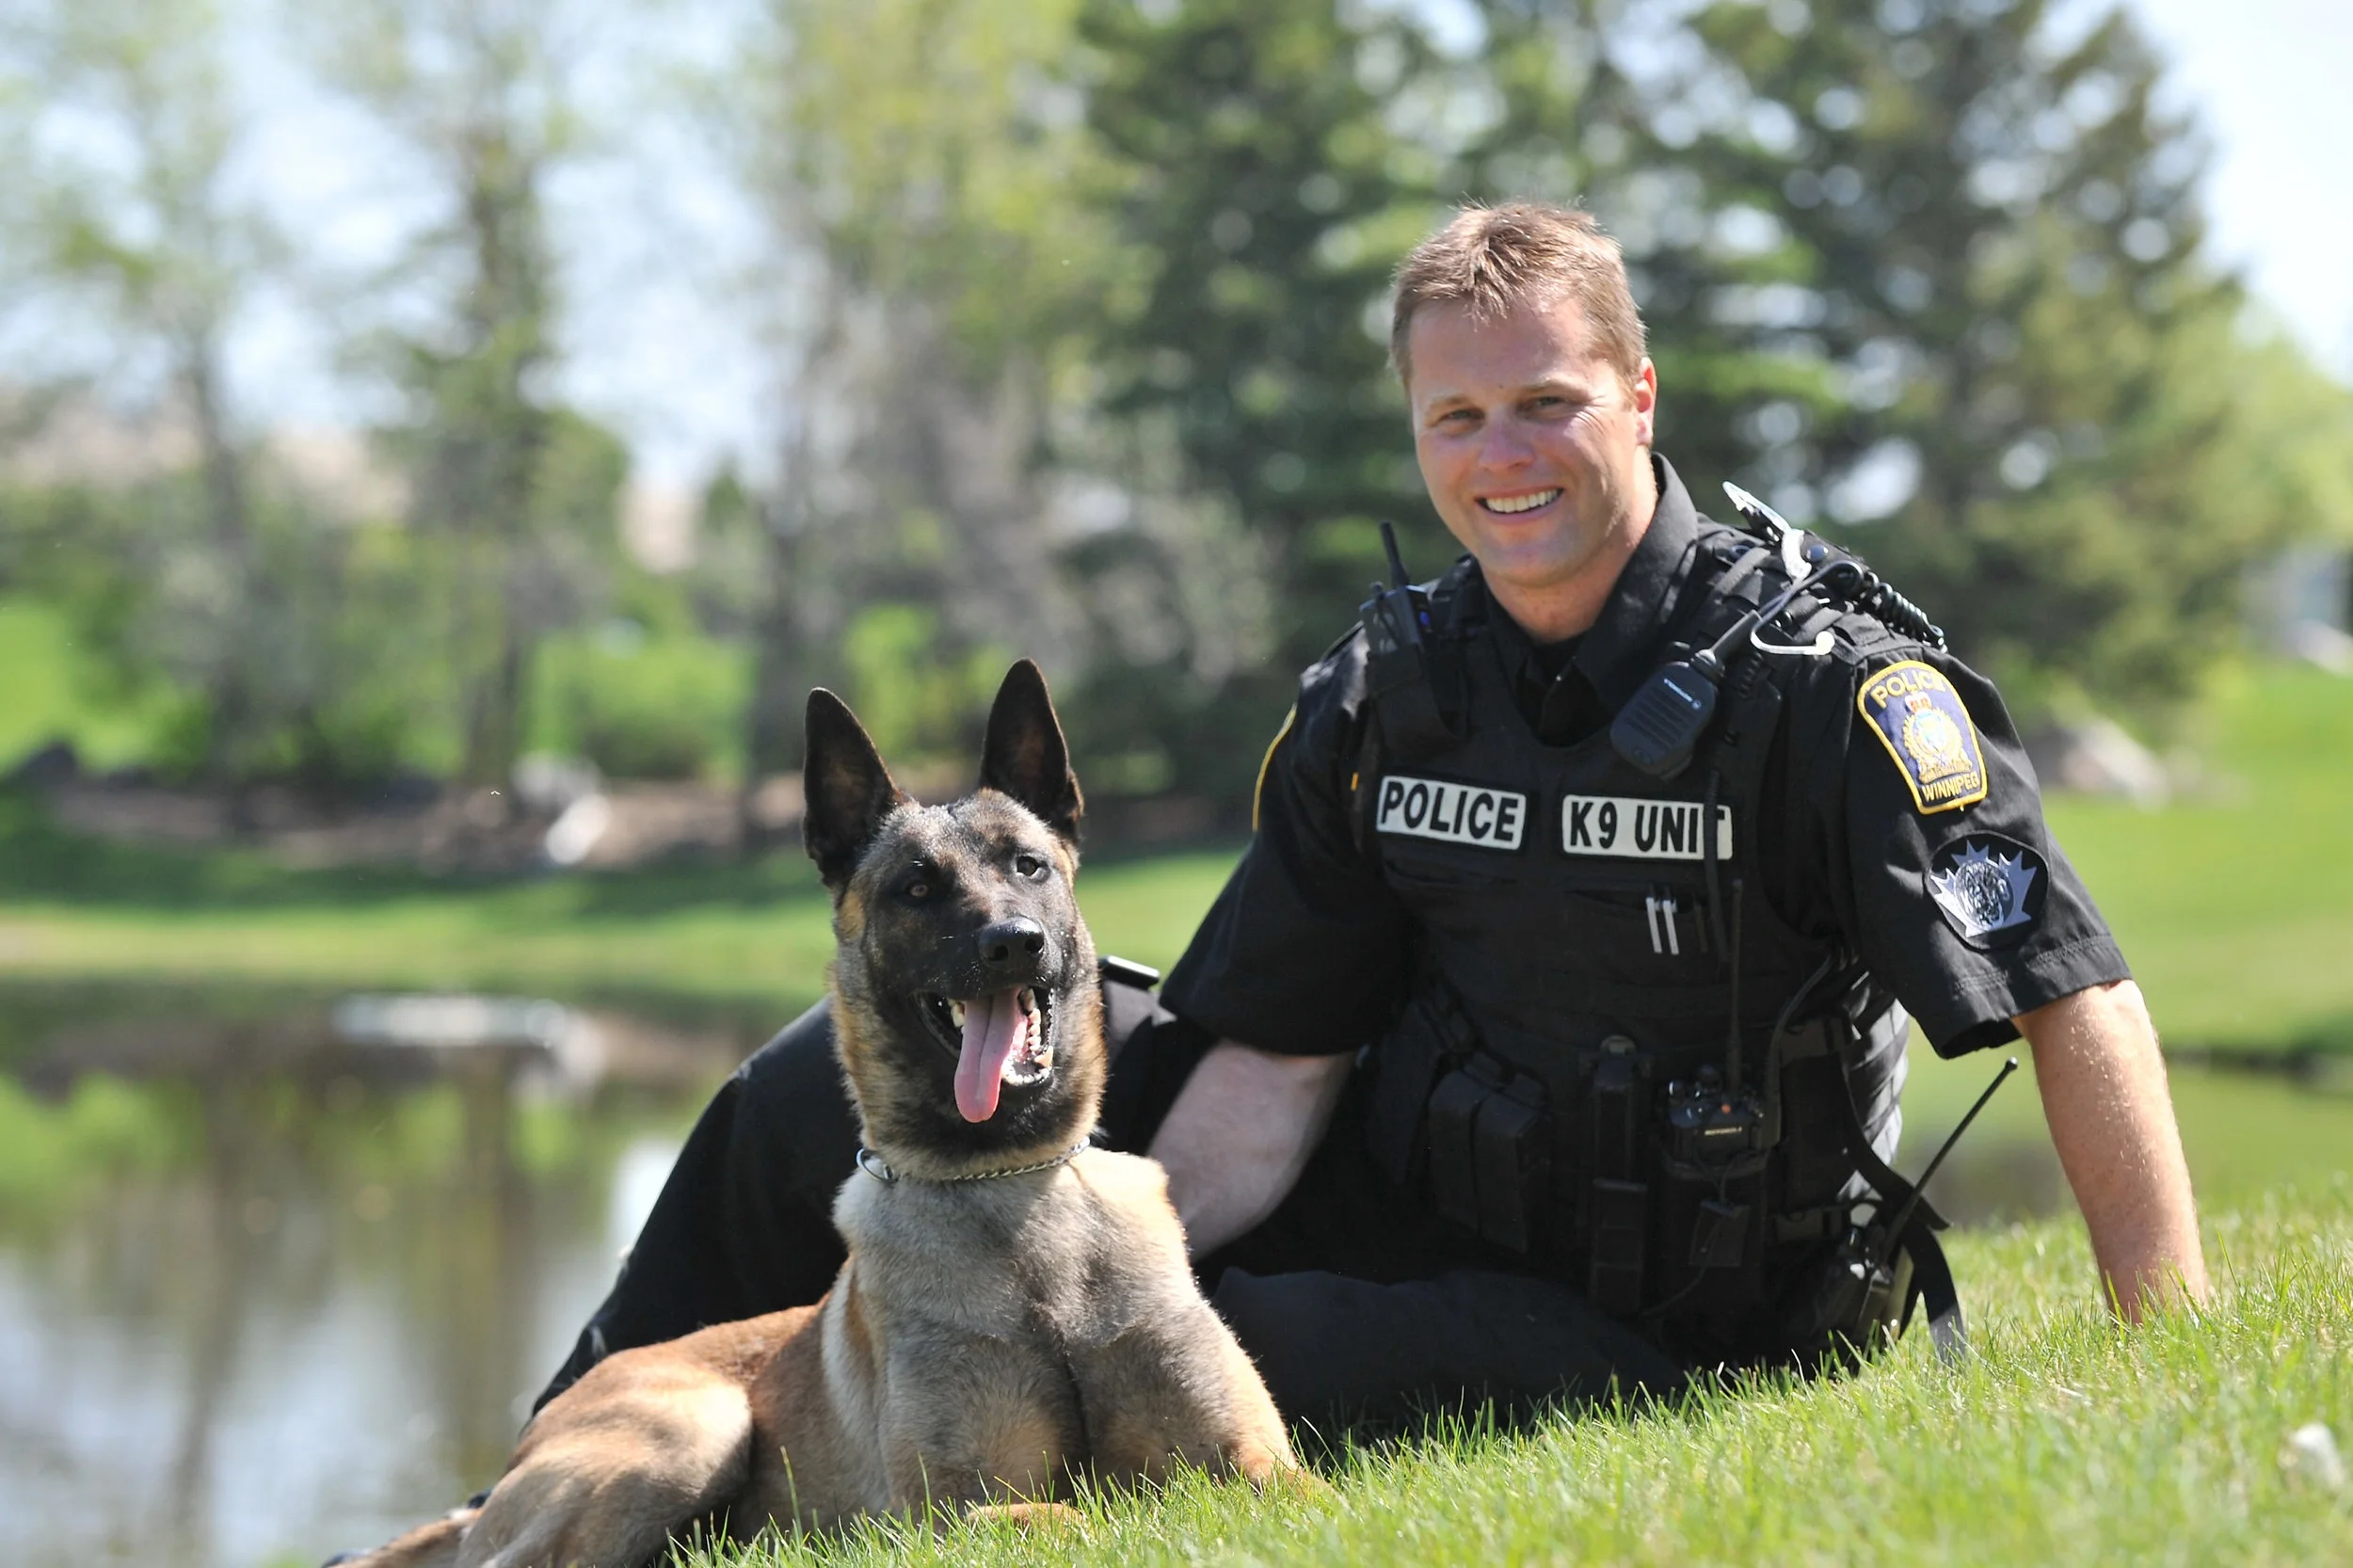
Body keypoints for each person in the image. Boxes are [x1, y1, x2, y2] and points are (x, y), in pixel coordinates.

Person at [534, 201, 2207, 1436]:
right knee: (783, 1104)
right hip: (1404, 1188)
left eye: (1547, 401)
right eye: (1457, 418)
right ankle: (533, 1481)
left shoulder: (1826, 695)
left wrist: (2166, 1352)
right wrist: (1089, 1249)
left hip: (1665, 1313)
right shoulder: (1390, 690)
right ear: (1417, 432)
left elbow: (2074, 990)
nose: (1505, 457)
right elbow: (1275, 1064)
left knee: (1191, 1378)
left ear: (1638, 393)